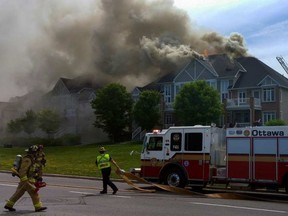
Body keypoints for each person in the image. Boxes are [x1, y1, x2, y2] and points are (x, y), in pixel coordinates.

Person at [4, 145, 47, 212]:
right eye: (36, 153)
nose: (37, 154)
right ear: (33, 152)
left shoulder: (33, 159)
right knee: (34, 193)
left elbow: (36, 168)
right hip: (27, 180)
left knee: (18, 193)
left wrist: (39, 177)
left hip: (28, 180)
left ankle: (9, 205)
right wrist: (25, 180)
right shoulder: (27, 159)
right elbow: (22, 171)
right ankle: (38, 207)